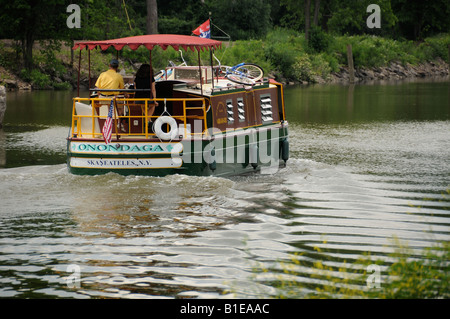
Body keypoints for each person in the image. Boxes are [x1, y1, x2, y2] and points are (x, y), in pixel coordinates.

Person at [95, 59, 126, 131]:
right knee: (121, 104)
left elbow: (97, 87)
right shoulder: (118, 76)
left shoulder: (102, 74)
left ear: (109, 66)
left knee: (110, 103)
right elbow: (123, 88)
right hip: (113, 98)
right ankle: (119, 122)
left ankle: (110, 121)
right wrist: (126, 94)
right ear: (117, 67)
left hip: (102, 98)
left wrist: (98, 93)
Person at [134, 64, 158, 129]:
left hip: (139, 97)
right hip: (148, 96)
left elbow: (135, 88)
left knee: (144, 106)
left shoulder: (137, 77)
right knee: (152, 106)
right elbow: (153, 89)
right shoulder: (151, 78)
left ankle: (148, 120)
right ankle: (148, 120)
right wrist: (155, 100)